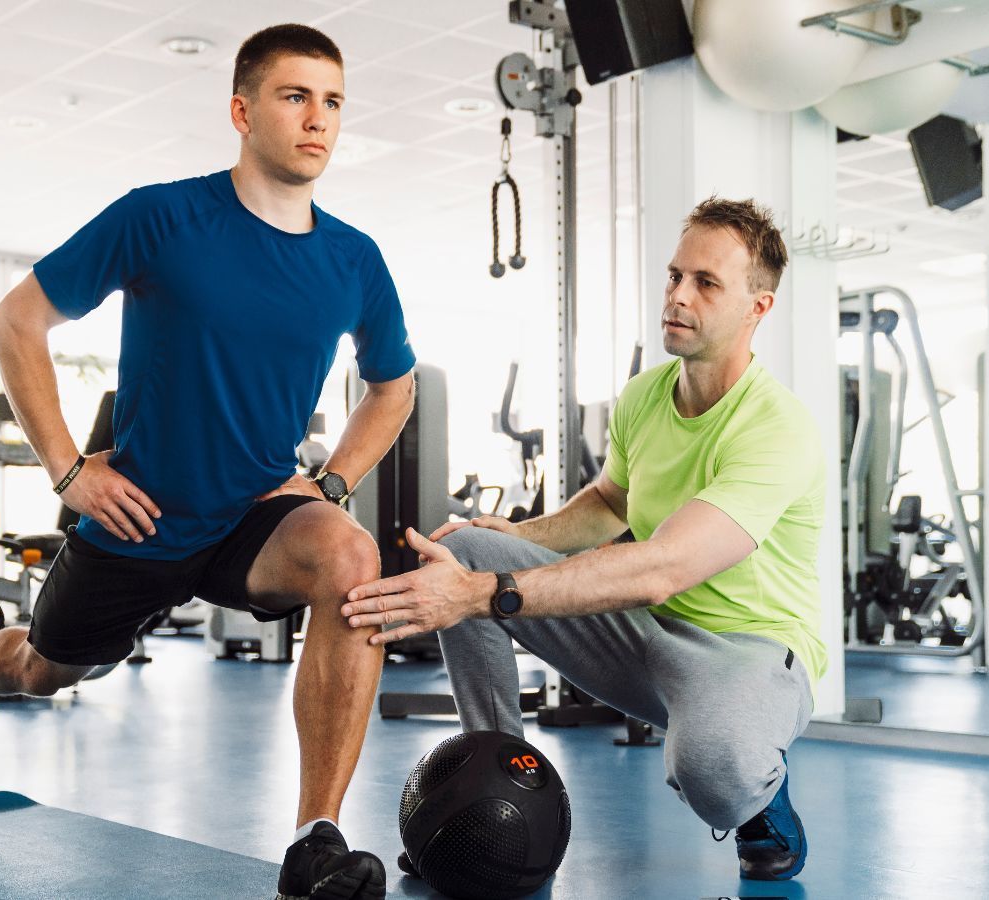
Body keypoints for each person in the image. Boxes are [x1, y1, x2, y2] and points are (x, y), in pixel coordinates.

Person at [0, 24, 415, 900]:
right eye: (295, 96)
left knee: (351, 557)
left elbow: (392, 389)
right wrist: (66, 469)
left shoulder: (354, 259)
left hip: (253, 518)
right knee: (45, 672)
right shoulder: (160, 216)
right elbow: (17, 323)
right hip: (139, 517)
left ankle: (314, 839)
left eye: (333, 102)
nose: (318, 119)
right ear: (242, 111)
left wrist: (329, 483)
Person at [342, 197, 825, 883]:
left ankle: (763, 804)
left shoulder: (777, 426)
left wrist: (484, 594)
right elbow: (609, 503)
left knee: (712, 766)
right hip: (643, 632)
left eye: (705, 283)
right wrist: (514, 535)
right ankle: (494, 791)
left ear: (758, 307)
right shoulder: (642, 397)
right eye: (673, 276)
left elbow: (664, 566)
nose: (678, 296)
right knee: (469, 546)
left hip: (747, 651)